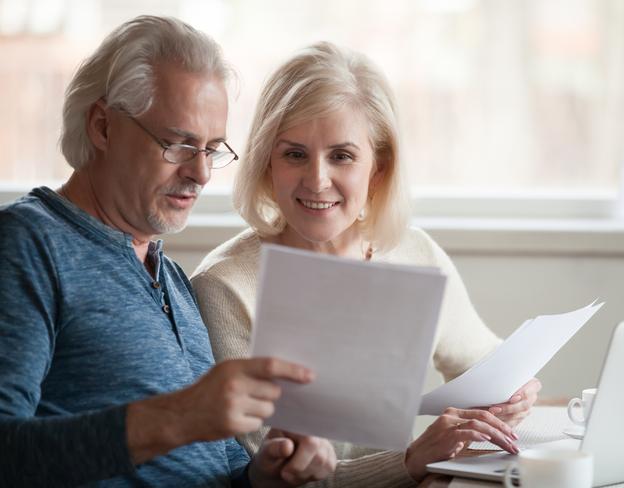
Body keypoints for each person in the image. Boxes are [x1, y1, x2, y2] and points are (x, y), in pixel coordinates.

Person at [0, 16, 338, 487]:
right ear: (102, 125)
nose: (200, 174)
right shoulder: (27, 245)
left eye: (212, 149)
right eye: (179, 144)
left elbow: (211, 470)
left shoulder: (174, 278)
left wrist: (264, 475)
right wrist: (177, 416)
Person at [191, 42, 542, 486]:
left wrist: (513, 391)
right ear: (266, 163)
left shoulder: (414, 254)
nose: (317, 179)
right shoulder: (225, 287)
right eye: (294, 154)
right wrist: (412, 461)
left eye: (342, 155)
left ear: (378, 168)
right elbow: (276, 477)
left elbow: (483, 362)